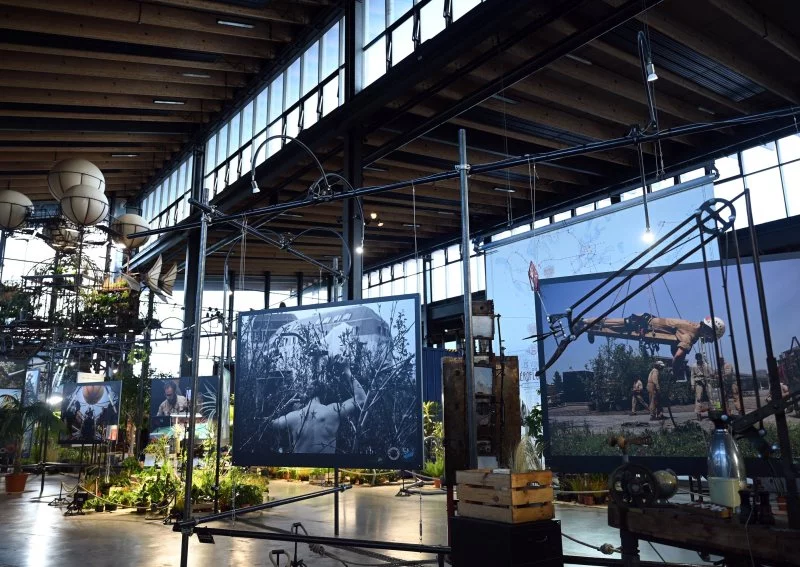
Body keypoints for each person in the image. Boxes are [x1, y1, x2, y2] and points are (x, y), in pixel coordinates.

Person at [270, 356, 366, 453]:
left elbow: (271, 424)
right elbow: (361, 398)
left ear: (305, 396)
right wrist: (347, 371)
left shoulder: (293, 417)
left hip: (301, 467)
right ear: (324, 395)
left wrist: (285, 405)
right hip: (327, 467)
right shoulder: (333, 410)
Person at [582, 314, 725, 379]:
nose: (709, 340)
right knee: (611, 324)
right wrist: (675, 371)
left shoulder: (692, 326)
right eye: (711, 337)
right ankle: (587, 322)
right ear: (708, 331)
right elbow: (679, 355)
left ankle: (590, 326)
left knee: (612, 325)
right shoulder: (691, 333)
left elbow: (675, 346)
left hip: (646, 320)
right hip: (642, 323)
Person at [691, 352, 710, 420]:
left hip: (707, 381)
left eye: (699, 358)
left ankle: (712, 411)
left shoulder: (706, 364)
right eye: (697, 358)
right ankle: (698, 413)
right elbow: (692, 376)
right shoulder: (694, 366)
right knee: (698, 398)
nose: (698, 359)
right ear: (696, 359)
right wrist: (692, 385)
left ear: (701, 358)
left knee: (711, 396)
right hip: (698, 382)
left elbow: (711, 372)